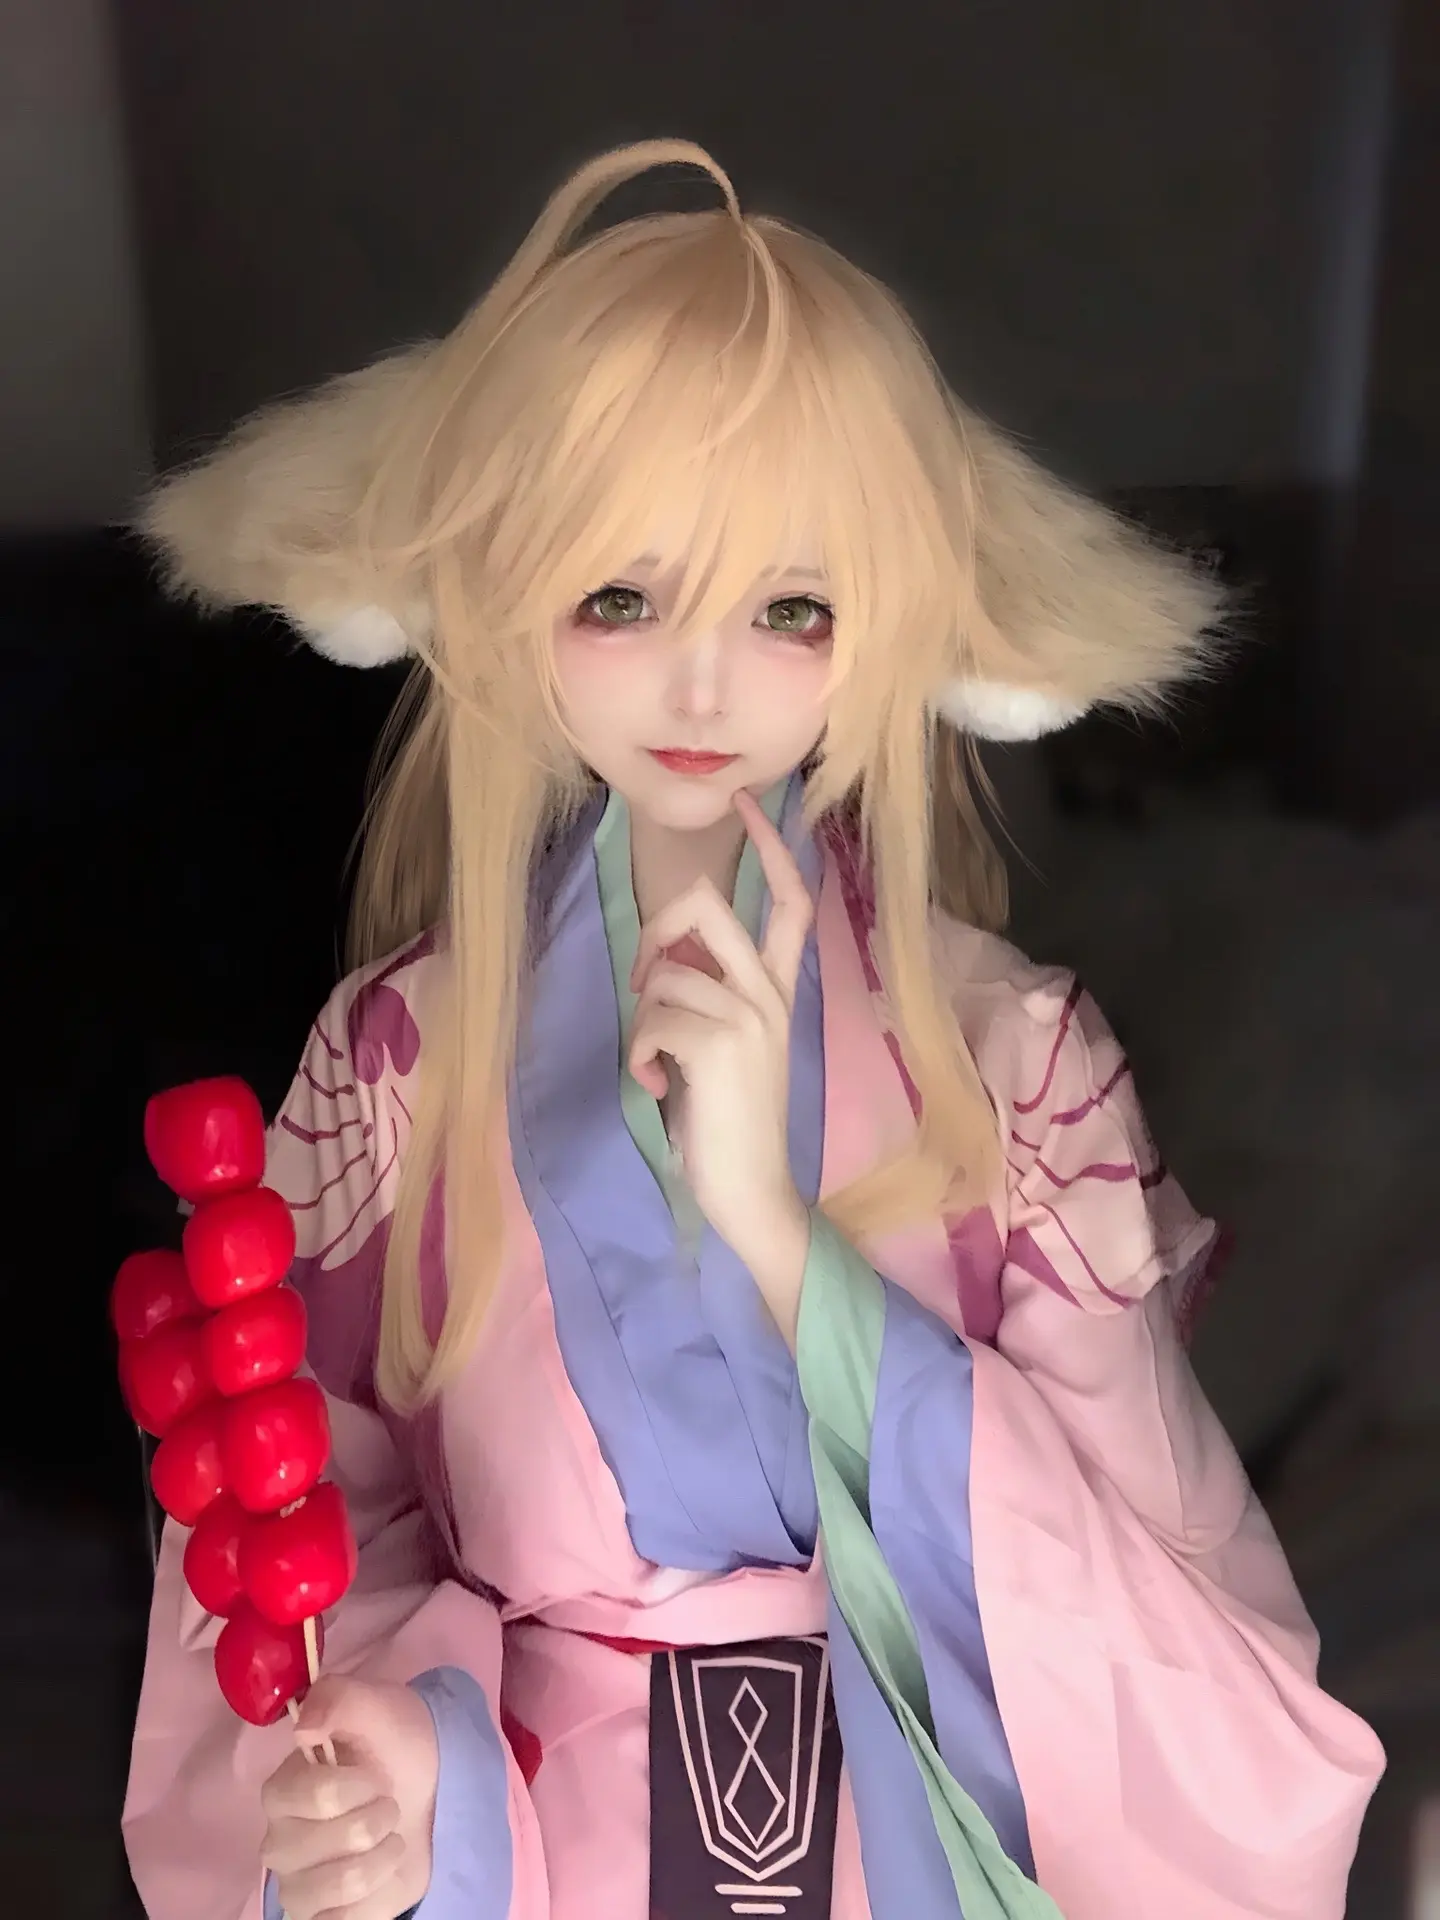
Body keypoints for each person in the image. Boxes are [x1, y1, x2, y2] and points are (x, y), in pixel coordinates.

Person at [121, 139, 1384, 1920]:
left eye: (793, 608)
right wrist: (397, 1764)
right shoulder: (399, 1057)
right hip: (538, 1848)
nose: (704, 682)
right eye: (619, 597)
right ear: (505, 591)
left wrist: (784, 1244)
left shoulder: (1008, 1060)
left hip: (906, 1849)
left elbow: (1156, 1604)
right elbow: (306, 1521)